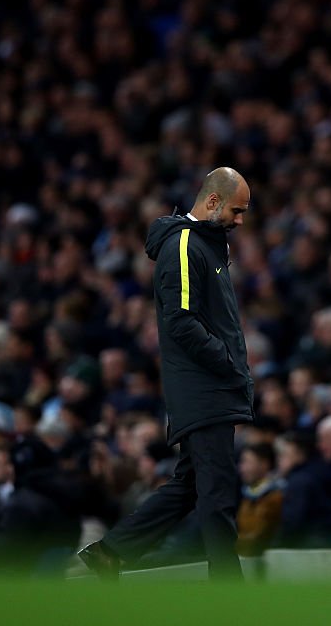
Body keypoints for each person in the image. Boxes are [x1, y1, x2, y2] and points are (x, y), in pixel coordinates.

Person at [78, 167, 255, 581]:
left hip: (209, 385)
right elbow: (180, 320)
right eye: (237, 210)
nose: (241, 220)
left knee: (192, 484)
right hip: (205, 387)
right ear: (212, 202)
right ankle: (228, 584)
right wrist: (227, 364)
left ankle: (110, 552)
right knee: (217, 489)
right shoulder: (185, 243)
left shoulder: (209, 245)